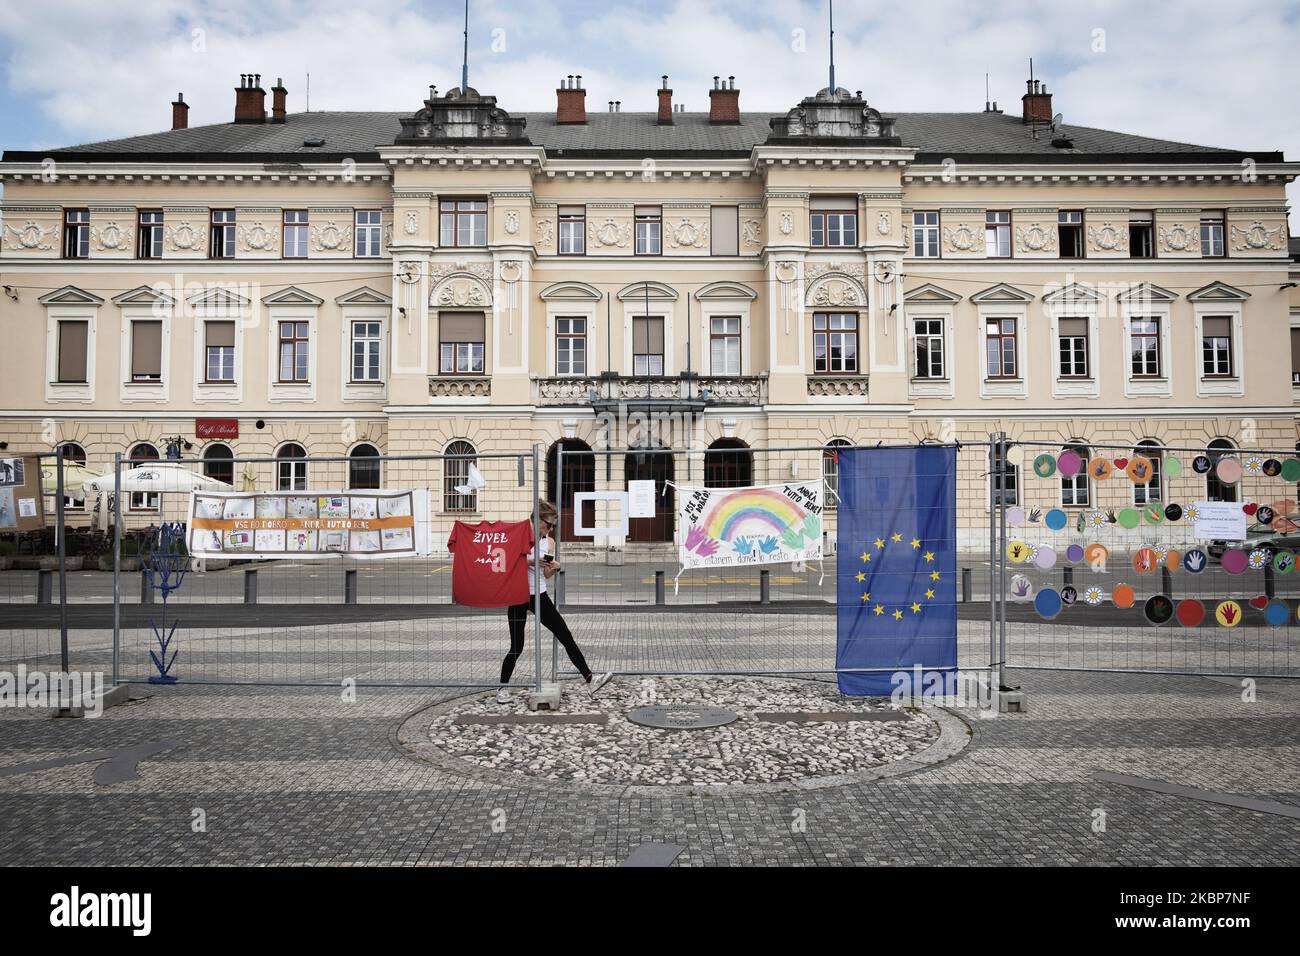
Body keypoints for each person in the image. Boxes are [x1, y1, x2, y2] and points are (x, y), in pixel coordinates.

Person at [498, 500, 610, 703]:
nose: (549, 529)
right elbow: (506, 559)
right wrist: (531, 561)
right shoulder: (521, 535)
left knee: (565, 634)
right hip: (518, 594)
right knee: (517, 646)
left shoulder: (548, 542)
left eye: (553, 526)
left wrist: (553, 567)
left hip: (539, 595)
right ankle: (502, 688)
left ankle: (591, 679)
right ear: (536, 519)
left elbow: (546, 574)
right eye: (547, 525)